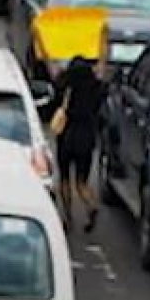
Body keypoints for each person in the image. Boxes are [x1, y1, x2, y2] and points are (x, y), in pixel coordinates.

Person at [50, 55, 105, 232]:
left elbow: (54, 102)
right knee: (81, 182)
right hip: (86, 137)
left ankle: (67, 217)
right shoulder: (96, 88)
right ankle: (91, 204)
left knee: (64, 178)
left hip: (67, 136)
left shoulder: (65, 86)